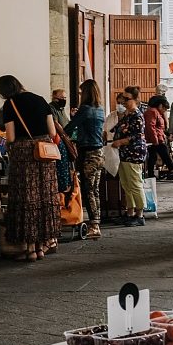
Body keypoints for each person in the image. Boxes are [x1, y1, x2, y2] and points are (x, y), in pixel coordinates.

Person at [0, 75, 60, 262]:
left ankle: (30, 249)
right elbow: (52, 132)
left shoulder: (10, 105)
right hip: (45, 153)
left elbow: (10, 137)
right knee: (44, 197)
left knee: (27, 200)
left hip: (24, 155)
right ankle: (42, 246)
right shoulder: (40, 100)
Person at [65, 79, 106, 239]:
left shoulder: (85, 109)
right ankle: (96, 221)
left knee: (88, 190)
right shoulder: (100, 109)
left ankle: (94, 225)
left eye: (82, 92)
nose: (80, 95)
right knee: (94, 190)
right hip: (99, 153)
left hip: (88, 154)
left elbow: (69, 128)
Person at [111, 86, 148, 226]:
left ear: (135, 99)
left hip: (134, 153)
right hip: (124, 153)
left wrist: (120, 141)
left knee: (135, 184)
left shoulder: (137, 115)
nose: (123, 101)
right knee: (126, 184)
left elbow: (137, 136)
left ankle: (140, 214)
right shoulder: (127, 114)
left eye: (127, 99)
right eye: (123, 98)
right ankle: (130, 212)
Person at [143, 96, 173, 179]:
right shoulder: (153, 112)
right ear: (160, 106)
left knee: (153, 157)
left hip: (156, 137)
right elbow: (151, 126)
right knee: (165, 154)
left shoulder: (155, 112)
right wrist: (155, 139)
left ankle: (151, 174)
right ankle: (172, 169)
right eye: (165, 109)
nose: (164, 111)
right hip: (156, 139)